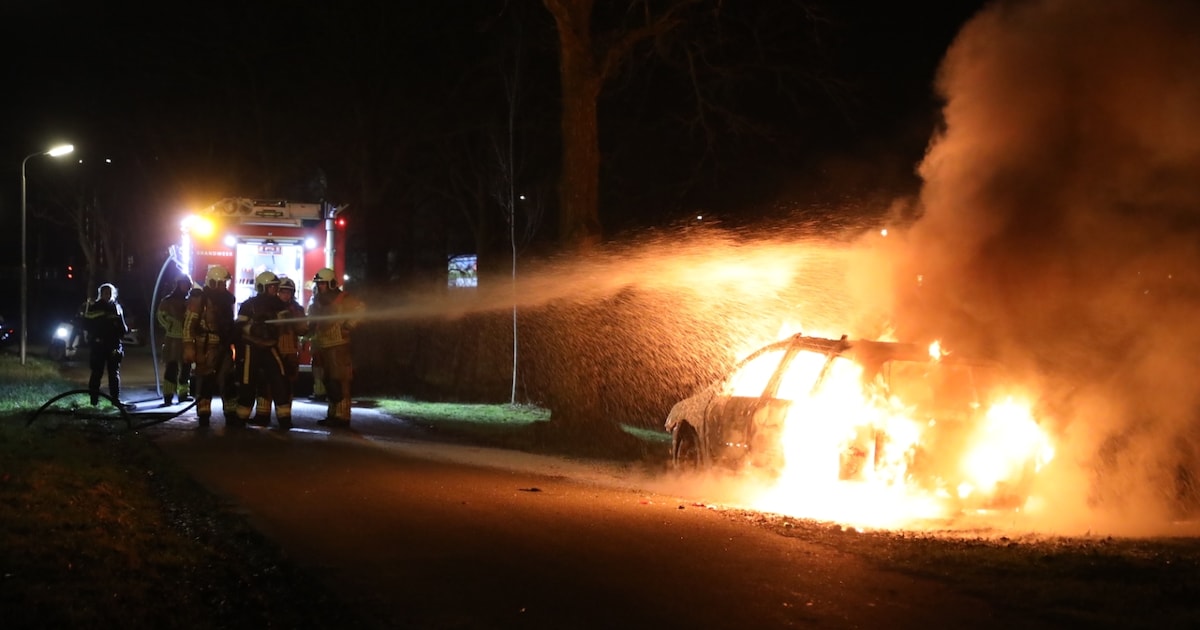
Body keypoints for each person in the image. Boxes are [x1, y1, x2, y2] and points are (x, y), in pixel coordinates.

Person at [307, 267, 364, 427]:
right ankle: (332, 414)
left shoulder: (343, 298)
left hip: (339, 345)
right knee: (328, 381)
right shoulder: (316, 300)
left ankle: (343, 416)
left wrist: (349, 325)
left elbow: (361, 310)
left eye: (323, 284)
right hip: (322, 344)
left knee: (341, 380)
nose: (320, 287)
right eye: (318, 284)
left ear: (332, 284)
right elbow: (312, 318)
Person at [183, 265, 238, 427]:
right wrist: (189, 347)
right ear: (212, 283)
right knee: (205, 381)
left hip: (224, 344)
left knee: (227, 379)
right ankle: (204, 413)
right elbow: (188, 325)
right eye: (221, 283)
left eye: (225, 283)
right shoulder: (199, 299)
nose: (224, 287)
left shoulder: (227, 300)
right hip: (205, 347)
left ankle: (230, 412)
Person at [234, 271, 289, 428]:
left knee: (279, 379)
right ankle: (241, 419)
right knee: (247, 383)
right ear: (262, 287)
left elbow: (283, 322)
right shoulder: (248, 305)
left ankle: (284, 419)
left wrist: (271, 318)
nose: (275, 290)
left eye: (275, 287)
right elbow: (240, 327)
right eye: (272, 287)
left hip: (270, 346)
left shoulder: (279, 305)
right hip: (251, 348)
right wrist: (254, 329)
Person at [83, 283, 129, 408]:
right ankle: (94, 402)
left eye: (109, 293)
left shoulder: (117, 308)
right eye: (105, 293)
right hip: (98, 345)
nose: (107, 295)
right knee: (97, 373)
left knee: (113, 374)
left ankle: (115, 400)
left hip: (113, 345)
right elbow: (86, 324)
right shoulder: (94, 307)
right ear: (100, 294)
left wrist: (120, 330)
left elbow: (123, 328)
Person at [157, 274, 194, 406]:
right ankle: (168, 395)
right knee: (172, 367)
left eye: (187, 284)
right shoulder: (168, 301)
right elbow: (160, 316)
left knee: (186, 368)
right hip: (173, 338)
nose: (186, 286)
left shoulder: (191, 301)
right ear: (178, 285)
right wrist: (169, 325)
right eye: (183, 284)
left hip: (187, 339)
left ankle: (183, 394)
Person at [274, 276, 307, 419]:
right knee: (269, 383)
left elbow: (303, 330)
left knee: (288, 383)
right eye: (283, 292)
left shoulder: (297, 309)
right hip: (273, 349)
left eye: (288, 292)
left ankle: (285, 416)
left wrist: (294, 318)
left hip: (290, 351)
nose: (285, 295)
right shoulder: (270, 306)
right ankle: (262, 415)